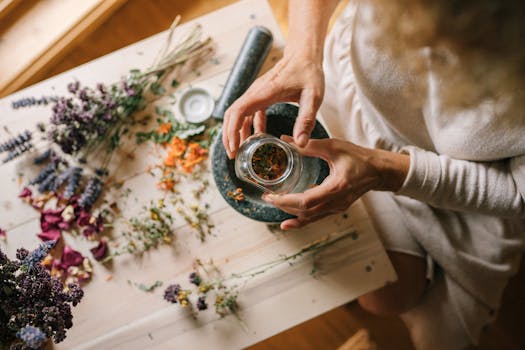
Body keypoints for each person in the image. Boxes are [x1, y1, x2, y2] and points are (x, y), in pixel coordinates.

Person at [222, 0, 525, 349]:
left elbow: (517, 191)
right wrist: (302, 53)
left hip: (462, 185)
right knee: (384, 298)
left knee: (437, 338)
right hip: (351, 95)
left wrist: (382, 171)